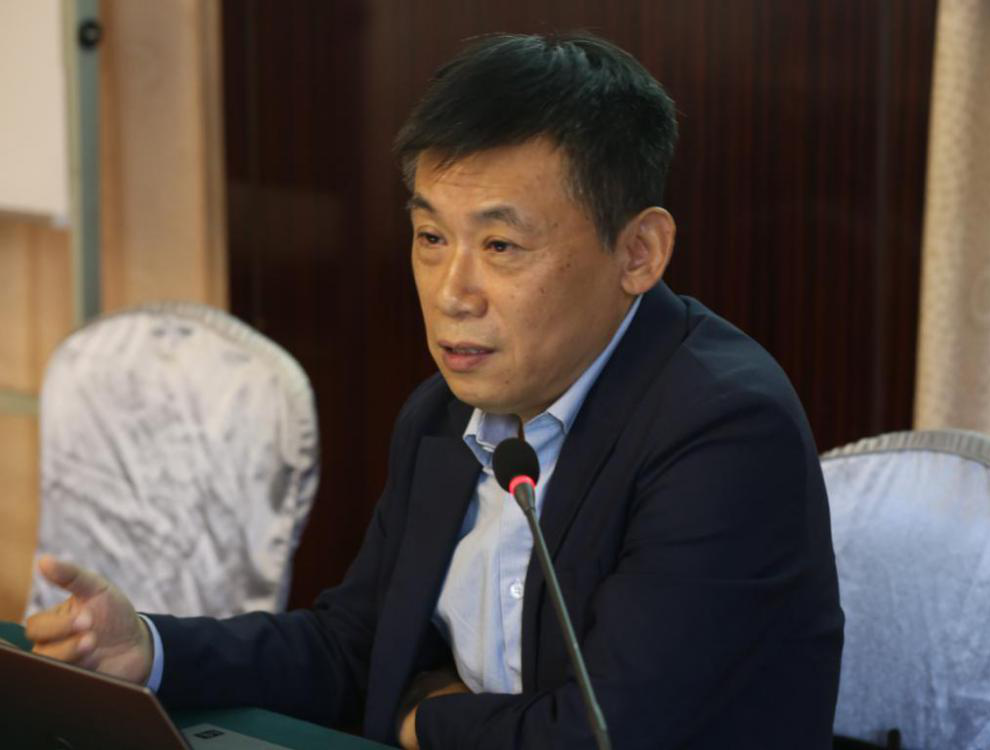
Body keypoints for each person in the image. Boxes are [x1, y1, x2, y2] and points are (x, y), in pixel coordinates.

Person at [26, 32, 844, 748]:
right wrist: (152, 650)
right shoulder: (445, 414)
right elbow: (355, 648)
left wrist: (422, 720)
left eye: (500, 245)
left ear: (638, 253)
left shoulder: (723, 431)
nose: (452, 291)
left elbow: (604, 734)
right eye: (429, 237)